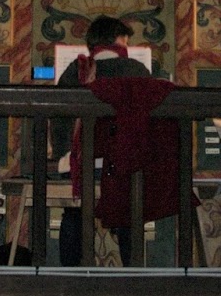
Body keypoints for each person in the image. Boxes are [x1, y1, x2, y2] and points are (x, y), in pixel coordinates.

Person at [51, 16, 150, 266]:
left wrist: (66, 158)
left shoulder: (76, 70)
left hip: (82, 168)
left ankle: (72, 278)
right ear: (119, 39)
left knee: (73, 215)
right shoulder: (136, 71)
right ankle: (133, 276)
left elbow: (60, 123)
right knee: (129, 212)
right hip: (121, 171)